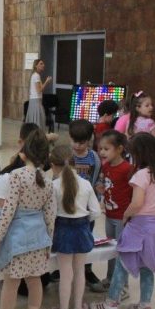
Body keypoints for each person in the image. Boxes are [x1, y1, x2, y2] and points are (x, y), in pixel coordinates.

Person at [91, 133, 155, 309]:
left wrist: (126, 215)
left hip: (139, 227)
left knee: (122, 264)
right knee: (148, 267)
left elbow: (137, 203)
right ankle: (145, 307)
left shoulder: (141, 175)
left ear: (139, 154)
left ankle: (111, 304)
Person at [0, 130, 55, 309]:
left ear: (23, 153)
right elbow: (50, 216)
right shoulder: (48, 182)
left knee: (11, 283)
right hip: (38, 239)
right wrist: (49, 245)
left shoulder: (16, 176)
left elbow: (7, 212)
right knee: (35, 281)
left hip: (18, 239)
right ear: (45, 156)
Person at [47, 144, 101, 309]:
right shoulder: (86, 184)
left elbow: (50, 215)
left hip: (62, 231)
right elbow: (96, 211)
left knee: (65, 274)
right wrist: (84, 220)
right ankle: (77, 308)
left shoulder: (53, 186)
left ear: (53, 166)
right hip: (82, 229)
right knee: (79, 271)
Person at [93, 130, 133, 295]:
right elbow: (105, 185)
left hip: (122, 218)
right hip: (109, 215)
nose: (102, 152)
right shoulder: (106, 166)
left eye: (106, 149)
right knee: (111, 250)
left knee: (121, 252)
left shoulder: (127, 169)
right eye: (100, 148)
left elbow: (134, 192)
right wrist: (101, 189)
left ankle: (123, 286)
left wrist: (130, 215)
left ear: (119, 149)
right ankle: (110, 280)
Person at [68, 119, 102, 286]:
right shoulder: (66, 155)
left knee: (86, 237)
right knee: (66, 236)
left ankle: (86, 269)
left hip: (86, 207)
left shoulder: (94, 158)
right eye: (74, 141)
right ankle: (61, 268)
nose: (77, 146)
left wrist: (94, 203)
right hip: (67, 205)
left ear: (89, 140)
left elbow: (96, 181)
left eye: (81, 142)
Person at [25, 59, 51, 132]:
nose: (43, 65)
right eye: (41, 63)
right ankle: (37, 136)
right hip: (35, 101)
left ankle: (35, 136)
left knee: (38, 121)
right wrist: (46, 82)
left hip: (36, 101)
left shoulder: (35, 75)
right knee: (38, 122)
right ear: (36, 66)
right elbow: (39, 90)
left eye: (43, 63)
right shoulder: (36, 76)